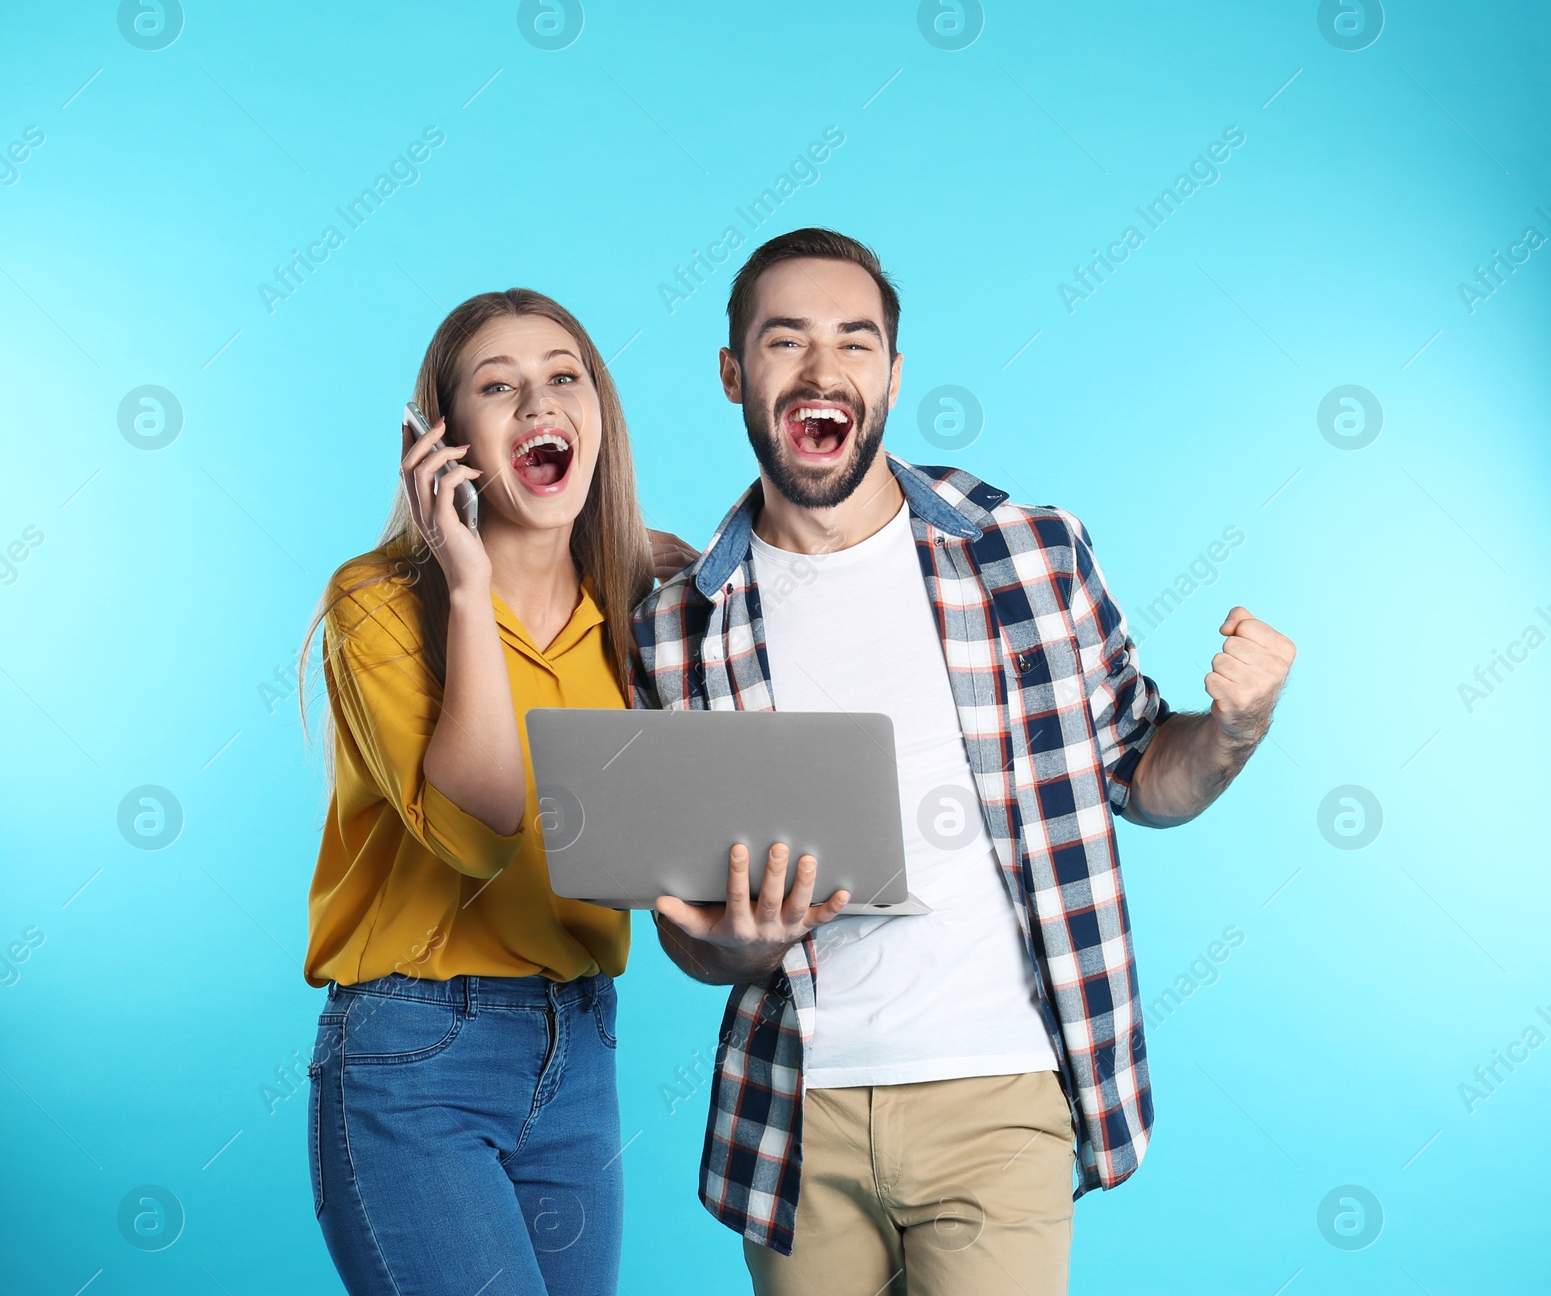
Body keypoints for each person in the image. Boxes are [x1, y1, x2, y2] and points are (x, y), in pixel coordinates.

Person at [630, 228, 1297, 1296]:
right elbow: (685, 928)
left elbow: (1140, 771)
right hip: (795, 1111)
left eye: (854, 341)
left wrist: (1234, 728)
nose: (820, 369)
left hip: (999, 1093)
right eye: (783, 339)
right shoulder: (676, 627)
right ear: (731, 373)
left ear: (891, 374)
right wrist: (737, 945)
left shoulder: (1027, 553)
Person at [298, 288, 694, 1296]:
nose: (537, 400)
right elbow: (479, 829)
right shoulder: (377, 603)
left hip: (581, 1046)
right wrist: (471, 584)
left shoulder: (641, 615)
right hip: (415, 1053)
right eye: (497, 385)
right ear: (445, 439)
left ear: (597, 412)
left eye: (564, 374)